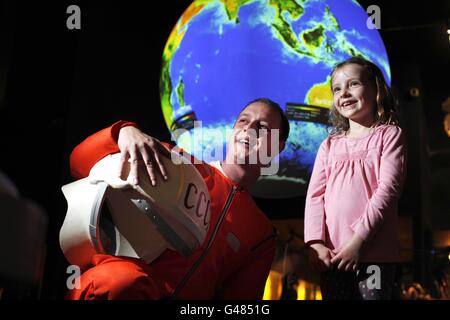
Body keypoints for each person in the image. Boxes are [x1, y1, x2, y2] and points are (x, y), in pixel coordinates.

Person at [66, 98, 290, 300]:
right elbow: (78, 163)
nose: (249, 129)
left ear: (278, 147)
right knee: (118, 280)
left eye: (262, 127)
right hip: (126, 289)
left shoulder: (261, 234)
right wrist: (123, 132)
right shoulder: (178, 163)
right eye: (243, 121)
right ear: (233, 130)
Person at [304, 57, 407, 300]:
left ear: (376, 90)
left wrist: (358, 242)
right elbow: (314, 197)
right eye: (337, 88)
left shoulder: (390, 135)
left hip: (374, 256)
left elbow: (388, 190)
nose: (344, 93)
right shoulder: (329, 145)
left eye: (354, 84)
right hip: (334, 257)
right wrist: (315, 243)